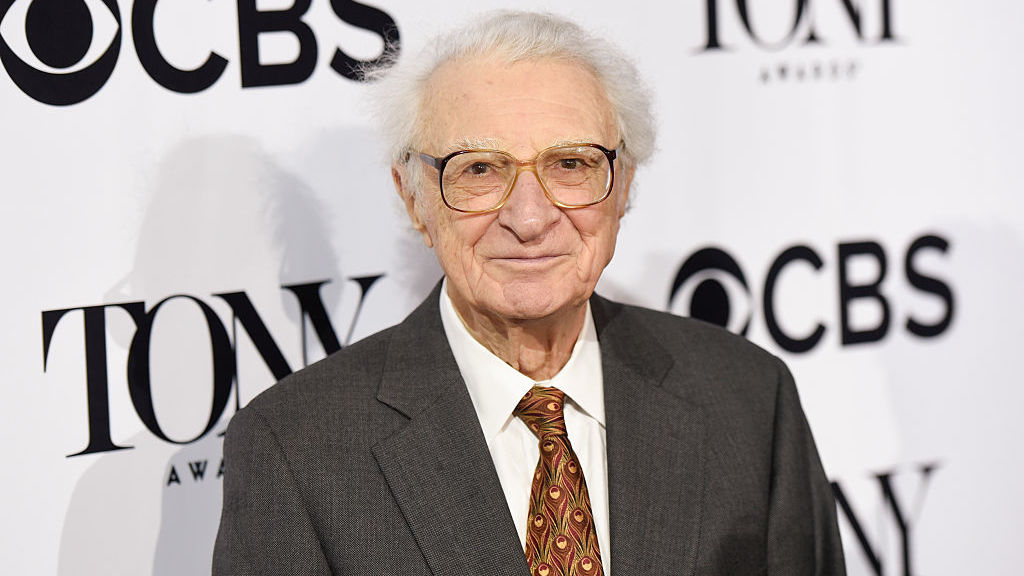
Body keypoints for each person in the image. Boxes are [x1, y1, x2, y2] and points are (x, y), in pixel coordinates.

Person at [213, 10, 845, 576]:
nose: (530, 217)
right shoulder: (297, 449)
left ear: (622, 185)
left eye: (570, 164)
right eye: (480, 170)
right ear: (413, 199)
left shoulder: (747, 398)